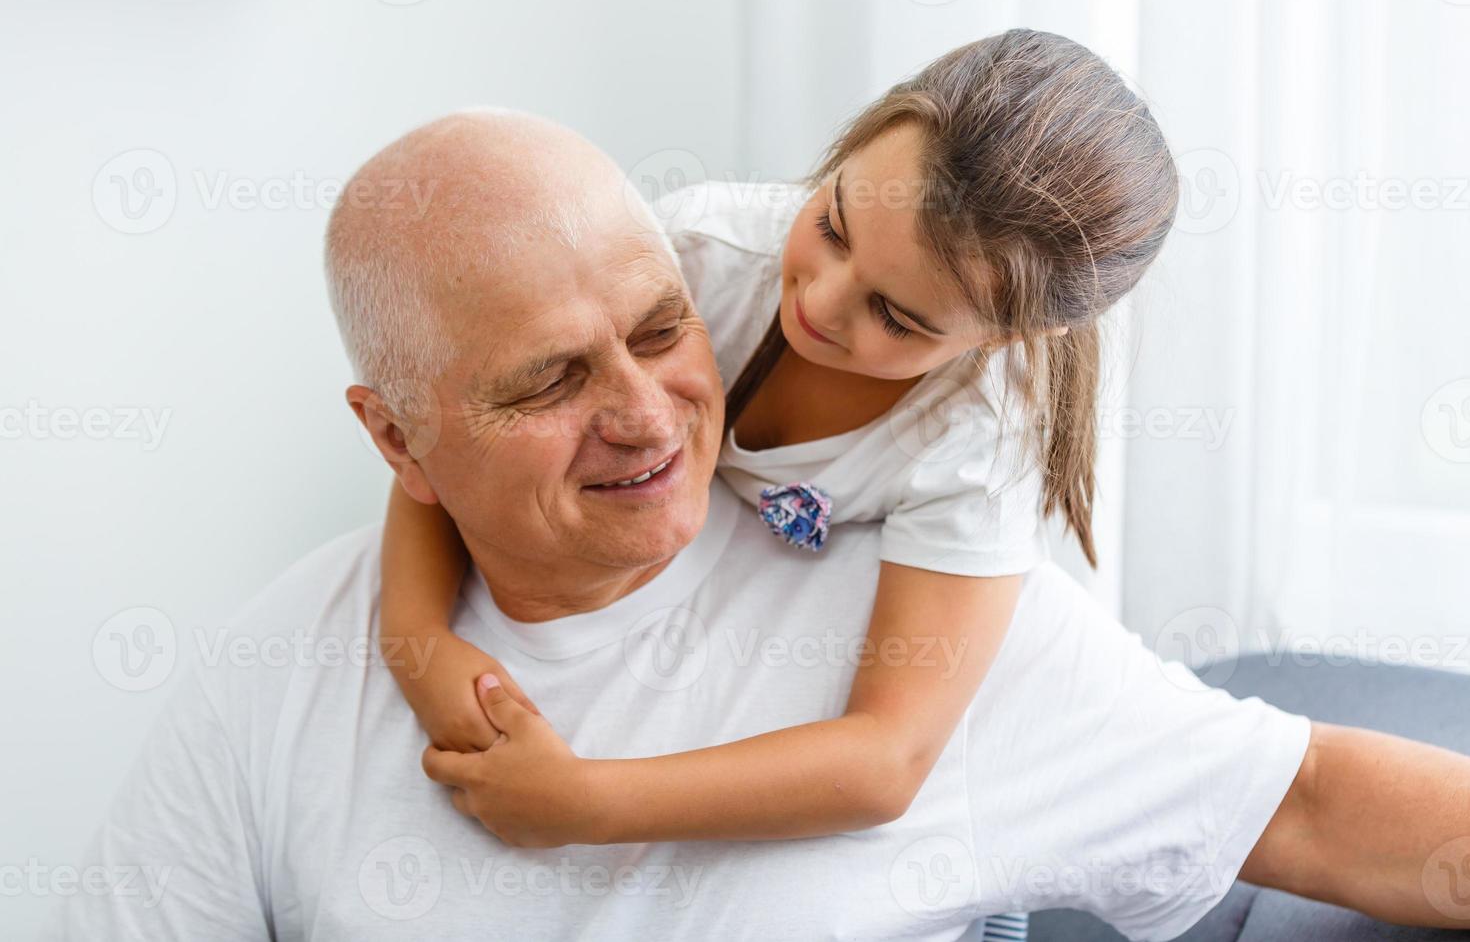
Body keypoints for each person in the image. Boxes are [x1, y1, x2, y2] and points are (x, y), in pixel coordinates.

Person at [55, 105, 1470, 942]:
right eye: (550, 381)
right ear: (396, 439)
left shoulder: (948, 627)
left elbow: (1318, 804)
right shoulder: (281, 664)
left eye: (661, 329)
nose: (651, 416)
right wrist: (423, 653)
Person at [376, 31, 1172, 866]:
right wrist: (417, 637)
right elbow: (469, 424)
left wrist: (590, 803)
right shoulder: (698, 257)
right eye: (832, 225)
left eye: (897, 317)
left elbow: (884, 761)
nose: (822, 304)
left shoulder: (979, 439)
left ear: (1016, 333)